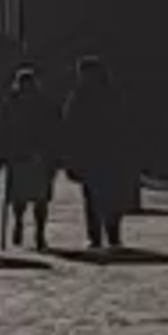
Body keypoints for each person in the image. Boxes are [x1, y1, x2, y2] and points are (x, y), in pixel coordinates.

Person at [63, 52, 128, 259]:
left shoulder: (88, 96)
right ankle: (100, 234)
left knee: (104, 195)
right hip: (96, 154)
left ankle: (107, 233)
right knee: (97, 196)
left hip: (103, 153)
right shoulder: (85, 96)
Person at [0, 58, 60, 255]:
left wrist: (4, 152)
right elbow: (53, 128)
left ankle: (19, 222)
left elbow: (4, 131)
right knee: (40, 198)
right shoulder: (44, 103)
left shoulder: (12, 103)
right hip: (38, 155)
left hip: (20, 155)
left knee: (20, 195)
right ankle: (39, 232)